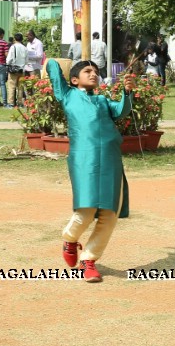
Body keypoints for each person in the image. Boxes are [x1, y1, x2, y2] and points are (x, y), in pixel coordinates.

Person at [48, 58, 132, 283]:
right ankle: (70, 239)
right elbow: (52, 68)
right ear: (74, 80)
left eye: (95, 71)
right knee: (86, 209)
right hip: (84, 159)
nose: (93, 74)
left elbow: (122, 110)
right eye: (87, 71)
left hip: (111, 158)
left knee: (109, 213)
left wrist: (126, 92)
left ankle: (89, 260)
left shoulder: (103, 101)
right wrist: (60, 60)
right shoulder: (67, 95)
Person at [7, 33, 29, 107]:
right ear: (22, 39)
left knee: (11, 86)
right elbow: (27, 61)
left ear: (15, 39)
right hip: (21, 69)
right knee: (20, 87)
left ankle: (11, 103)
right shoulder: (25, 48)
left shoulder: (13, 47)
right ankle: (20, 103)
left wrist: (8, 63)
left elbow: (9, 59)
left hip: (13, 69)